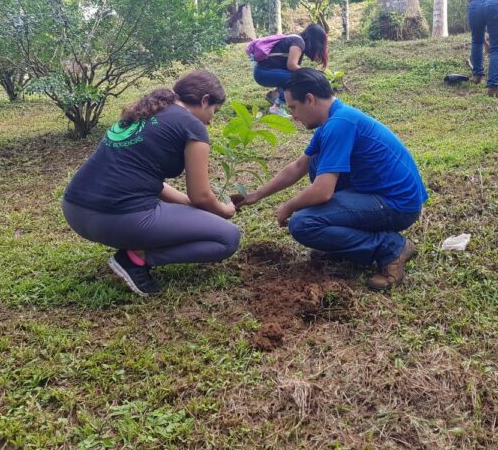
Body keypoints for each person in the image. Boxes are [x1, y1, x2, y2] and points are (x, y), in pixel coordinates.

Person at [237, 68, 428, 291]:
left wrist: (288, 206)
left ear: (310, 99)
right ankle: (341, 240)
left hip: (398, 205)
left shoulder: (340, 123)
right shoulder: (334, 119)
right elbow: (298, 166)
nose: (294, 116)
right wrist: (256, 195)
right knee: (316, 161)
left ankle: (391, 247)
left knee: (303, 224)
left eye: (294, 108)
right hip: (377, 193)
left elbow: (322, 192)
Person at [62, 70, 241, 296]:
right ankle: (136, 258)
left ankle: (133, 250)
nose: (211, 118)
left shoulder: (147, 112)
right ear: (205, 100)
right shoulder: (192, 126)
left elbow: (146, 179)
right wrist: (223, 210)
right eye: (214, 110)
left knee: (197, 219)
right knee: (228, 238)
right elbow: (201, 196)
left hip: (75, 211)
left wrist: (188, 206)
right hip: (119, 218)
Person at [252, 24, 329, 117]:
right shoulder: (298, 42)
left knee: (296, 75)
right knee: (297, 77)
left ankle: (275, 95)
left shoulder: (297, 41)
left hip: (264, 72)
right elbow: (291, 65)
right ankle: (276, 107)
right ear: (314, 40)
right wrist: (311, 73)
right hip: (263, 73)